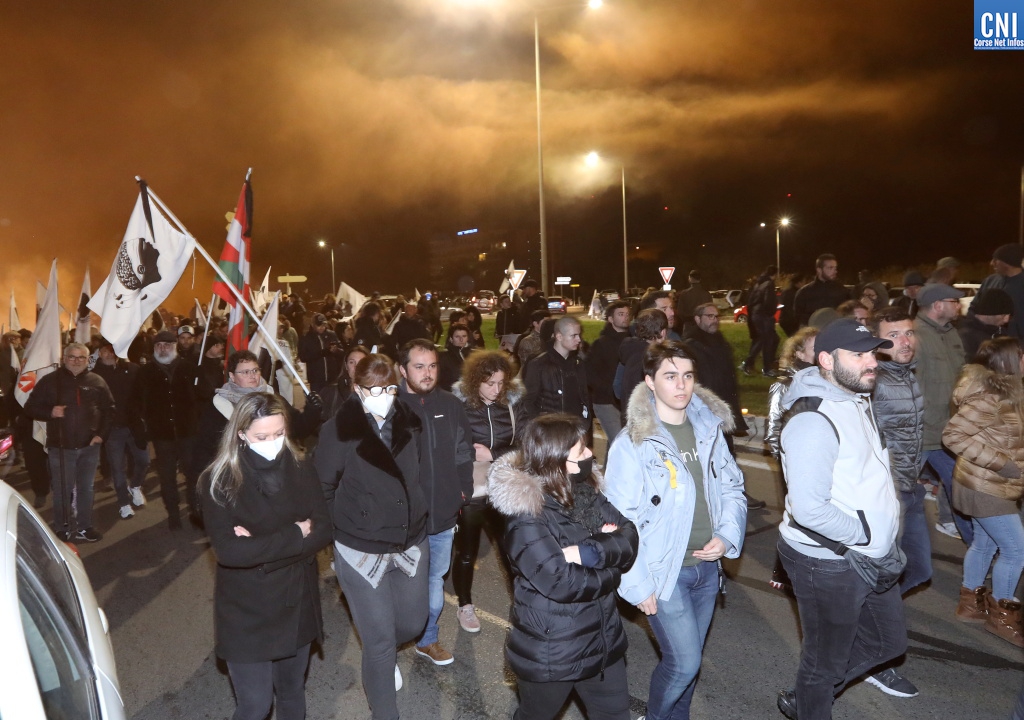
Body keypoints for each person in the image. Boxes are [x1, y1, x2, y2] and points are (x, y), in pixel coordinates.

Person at [775, 319, 911, 718]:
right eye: (859, 354)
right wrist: (866, 533)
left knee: (889, 643)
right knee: (823, 665)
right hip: (828, 560)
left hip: (868, 552)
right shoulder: (812, 421)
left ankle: (806, 699)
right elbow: (808, 508)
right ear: (826, 361)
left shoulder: (855, 397)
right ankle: (811, 701)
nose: (872, 362)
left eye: (872, 352)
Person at [604, 341, 746, 720]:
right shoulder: (633, 443)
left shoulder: (710, 429)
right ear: (650, 382)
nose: (681, 385)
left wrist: (728, 535)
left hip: (707, 568)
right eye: (670, 376)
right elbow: (617, 521)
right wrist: (636, 583)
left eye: (687, 376)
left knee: (690, 664)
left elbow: (732, 487)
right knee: (683, 665)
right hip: (665, 574)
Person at [488, 414, 639, 720]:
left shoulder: (583, 491)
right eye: (581, 451)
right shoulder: (526, 515)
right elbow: (562, 582)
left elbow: (630, 536)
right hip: (554, 651)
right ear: (558, 462)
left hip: (602, 639)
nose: (590, 455)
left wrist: (587, 553)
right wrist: (612, 569)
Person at [201, 393, 331, 720]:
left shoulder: (302, 465)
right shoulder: (219, 481)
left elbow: (324, 530)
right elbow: (230, 552)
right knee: (255, 705)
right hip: (247, 611)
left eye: (279, 434)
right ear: (241, 434)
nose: (272, 442)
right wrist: (294, 533)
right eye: (262, 436)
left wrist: (259, 548)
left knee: (291, 694)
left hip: (296, 600)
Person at [315, 353, 429, 719]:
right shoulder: (338, 430)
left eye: (390, 388)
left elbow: (422, 473)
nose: (383, 396)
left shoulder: (411, 422)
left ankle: (382, 655)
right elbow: (323, 487)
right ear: (357, 388)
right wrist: (343, 531)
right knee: (378, 643)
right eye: (374, 390)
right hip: (361, 547)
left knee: (414, 622)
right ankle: (384, 709)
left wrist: (425, 509)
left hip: (410, 540)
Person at [397, 339, 474, 666]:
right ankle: (387, 650)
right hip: (404, 521)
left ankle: (427, 640)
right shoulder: (391, 407)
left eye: (432, 366)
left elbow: (463, 451)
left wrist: (462, 490)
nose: (427, 373)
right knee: (400, 589)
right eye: (419, 366)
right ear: (402, 370)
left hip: (442, 514)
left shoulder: (451, 404)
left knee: (434, 582)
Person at [943, 337, 1024, 648]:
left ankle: (970, 603)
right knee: (1016, 549)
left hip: (989, 484)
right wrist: (1001, 463)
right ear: (1007, 361)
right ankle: (1003, 615)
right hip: (985, 485)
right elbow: (952, 435)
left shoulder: (1011, 392)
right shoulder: (990, 397)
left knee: (985, 543)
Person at [451, 350, 522, 633]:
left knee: (514, 551)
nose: (496, 389)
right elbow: (448, 444)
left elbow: (525, 444)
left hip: (504, 486)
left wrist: (493, 452)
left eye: (501, 383)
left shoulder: (513, 405)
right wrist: (470, 451)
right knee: (467, 551)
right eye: (489, 383)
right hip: (472, 488)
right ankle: (465, 605)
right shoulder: (460, 406)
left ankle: (523, 605)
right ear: (475, 380)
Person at [192, 351, 323, 490]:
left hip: (276, 475)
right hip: (238, 481)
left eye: (255, 370)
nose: (252, 375)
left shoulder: (272, 398)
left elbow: (297, 429)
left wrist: (312, 411)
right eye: (245, 372)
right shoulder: (219, 406)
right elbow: (204, 453)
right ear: (232, 376)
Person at [24, 342, 114, 542]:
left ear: (87, 359)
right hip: (61, 446)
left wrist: (101, 435)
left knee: (86, 488)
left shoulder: (97, 381)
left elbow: (109, 410)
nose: (76, 361)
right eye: (71, 357)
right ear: (64, 359)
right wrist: (50, 412)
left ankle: (85, 526)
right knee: (62, 490)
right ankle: (62, 527)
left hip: (89, 446)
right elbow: (30, 407)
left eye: (81, 357)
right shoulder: (50, 381)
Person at [763, 325, 819, 590]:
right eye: (814, 347)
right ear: (799, 352)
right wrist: (787, 463)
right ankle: (782, 569)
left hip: (819, 460)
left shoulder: (825, 380)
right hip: (794, 463)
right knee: (796, 514)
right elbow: (773, 430)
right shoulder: (784, 385)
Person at [914, 283, 970, 542]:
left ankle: (980, 551)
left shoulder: (951, 334)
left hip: (948, 431)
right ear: (938, 306)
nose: (959, 306)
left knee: (963, 489)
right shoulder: (914, 336)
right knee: (898, 495)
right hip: (920, 433)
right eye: (954, 301)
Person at [141, 329, 202, 530]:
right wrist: (144, 429)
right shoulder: (146, 372)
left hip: (188, 433)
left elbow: (204, 397)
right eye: (159, 345)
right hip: (162, 435)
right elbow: (138, 402)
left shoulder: (189, 368)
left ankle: (195, 510)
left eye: (167, 345)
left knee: (193, 475)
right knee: (167, 478)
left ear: (174, 347)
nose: (163, 348)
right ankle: (173, 513)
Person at [92, 341, 149, 519]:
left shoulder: (133, 369)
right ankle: (124, 503)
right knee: (117, 469)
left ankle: (136, 486)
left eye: (111, 350)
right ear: (99, 353)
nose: (108, 354)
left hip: (134, 425)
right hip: (112, 429)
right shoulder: (94, 374)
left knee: (144, 461)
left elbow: (144, 393)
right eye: (104, 351)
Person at [523, 316, 592, 430]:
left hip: (575, 429)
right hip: (550, 432)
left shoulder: (578, 364)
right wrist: (541, 427)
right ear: (559, 336)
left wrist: (585, 424)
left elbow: (584, 397)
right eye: (573, 335)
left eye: (579, 335)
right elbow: (528, 401)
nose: (579, 339)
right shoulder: (538, 364)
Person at [586, 300, 631, 455]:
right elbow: (589, 372)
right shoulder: (601, 344)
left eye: (627, 314)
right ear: (611, 319)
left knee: (617, 443)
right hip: (605, 401)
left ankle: (607, 475)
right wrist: (608, 389)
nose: (625, 317)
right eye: (620, 314)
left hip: (626, 401)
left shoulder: (633, 341)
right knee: (620, 442)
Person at [740, 265, 780, 376]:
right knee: (766, 340)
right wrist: (770, 312)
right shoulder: (769, 284)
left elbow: (751, 300)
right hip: (764, 315)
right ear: (775, 274)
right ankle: (765, 368)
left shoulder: (758, 283)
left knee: (765, 339)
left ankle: (751, 364)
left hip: (756, 314)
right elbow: (769, 301)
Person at [979, 244, 1024, 340]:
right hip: (990, 343)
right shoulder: (989, 281)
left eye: (995, 260)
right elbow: (974, 308)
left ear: (1007, 262)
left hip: (1017, 345)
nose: (991, 263)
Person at [793, 253, 849, 328]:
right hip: (813, 333)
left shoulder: (842, 290)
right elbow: (798, 317)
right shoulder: (804, 292)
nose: (835, 271)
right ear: (819, 270)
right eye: (830, 268)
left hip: (836, 331)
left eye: (835, 268)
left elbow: (848, 311)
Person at [959, 288, 1013, 362]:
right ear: (990, 313)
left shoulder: (999, 332)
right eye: (1003, 315)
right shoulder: (966, 339)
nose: (1006, 320)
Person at [319, 345, 369, 420]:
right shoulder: (330, 392)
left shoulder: (377, 393)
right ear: (346, 366)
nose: (356, 367)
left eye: (361, 362)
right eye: (352, 362)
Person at [298, 313, 343, 393]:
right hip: (316, 378)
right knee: (319, 402)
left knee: (332, 401)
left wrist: (336, 350)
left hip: (332, 377)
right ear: (313, 324)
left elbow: (342, 352)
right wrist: (321, 353)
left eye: (324, 324)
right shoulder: (306, 337)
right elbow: (303, 357)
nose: (322, 327)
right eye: (319, 325)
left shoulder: (331, 334)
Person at [438, 322, 471, 391]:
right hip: (450, 395)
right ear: (451, 339)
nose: (461, 339)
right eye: (457, 337)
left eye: (464, 336)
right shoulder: (443, 357)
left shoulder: (474, 355)